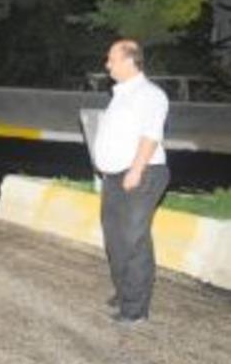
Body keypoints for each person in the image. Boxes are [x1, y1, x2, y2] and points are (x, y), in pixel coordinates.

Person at [93, 39, 170, 325]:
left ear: (129, 61)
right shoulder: (122, 95)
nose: (107, 64)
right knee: (115, 239)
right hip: (117, 176)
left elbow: (151, 135)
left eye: (111, 58)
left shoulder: (149, 94)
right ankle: (125, 291)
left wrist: (135, 170)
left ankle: (135, 309)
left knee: (133, 241)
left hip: (142, 174)